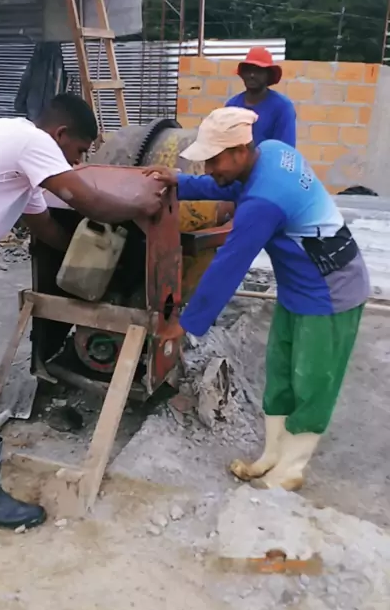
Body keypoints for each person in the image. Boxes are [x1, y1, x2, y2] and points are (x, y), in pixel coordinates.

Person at [0, 93, 164, 529]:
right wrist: (143, 205)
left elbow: (46, 229)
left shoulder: (16, 162)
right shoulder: (31, 142)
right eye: (79, 150)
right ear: (60, 134)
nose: (78, 162)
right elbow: (89, 203)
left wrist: (94, 271)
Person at [146, 107, 369, 492]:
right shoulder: (271, 153)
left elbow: (228, 266)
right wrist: (179, 182)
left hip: (332, 290)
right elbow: (229, 186)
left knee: (313, 379)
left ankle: (291, 469)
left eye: (214, 160)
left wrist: (185, 323)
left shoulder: (264, 202)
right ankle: (271, 455)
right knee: (280, 371)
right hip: (298, 286)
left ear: (240, 150)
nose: (209, 168)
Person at [226, 46, 296, 147]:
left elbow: (285, 150)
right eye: (248, 70)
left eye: (258, 71)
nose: (252, 75)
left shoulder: (282, 107)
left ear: (268, 75)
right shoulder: (232, 105)